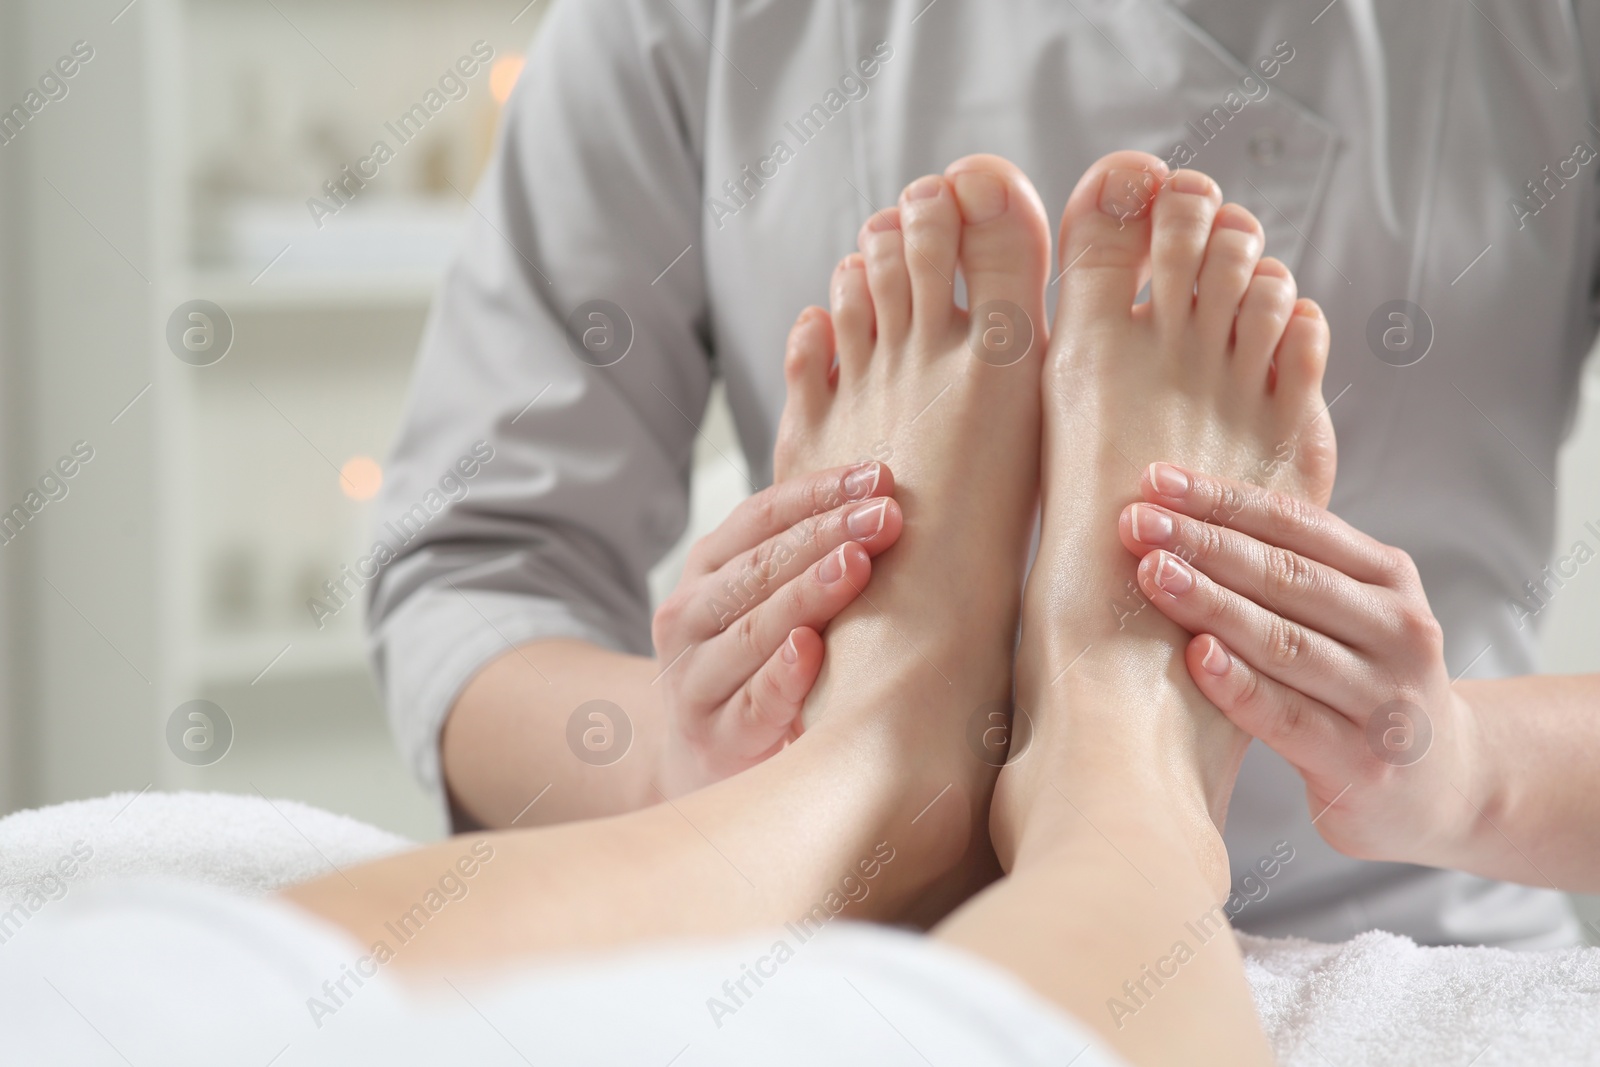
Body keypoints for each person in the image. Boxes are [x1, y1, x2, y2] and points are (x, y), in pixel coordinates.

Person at [368, 0, 1600, 947]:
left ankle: (942, 755)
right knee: (1095, 819)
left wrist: (1467, 769)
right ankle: (1060, 768)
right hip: (830, 906)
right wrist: (668, 754)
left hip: (1406, 914)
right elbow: (476, 566)